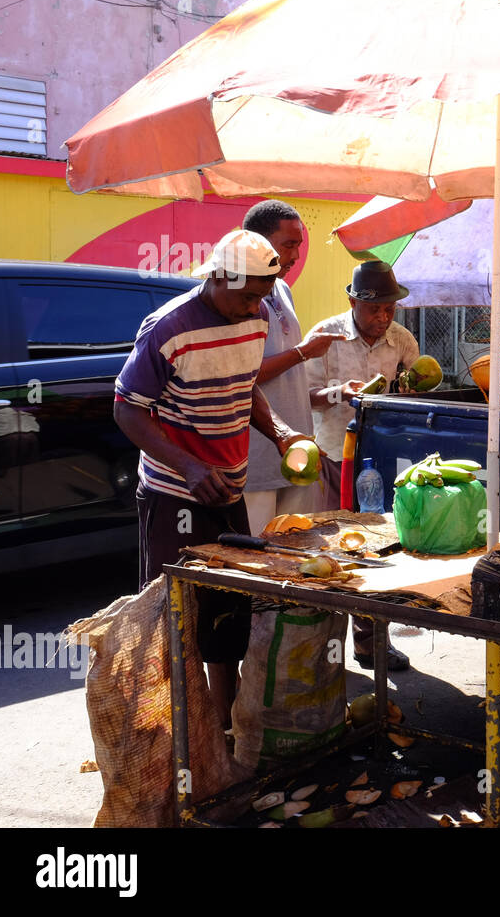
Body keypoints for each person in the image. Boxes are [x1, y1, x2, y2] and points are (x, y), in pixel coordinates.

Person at [114, 229, 315, 728]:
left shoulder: (256, 316)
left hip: (228, 487)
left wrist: (283, 432)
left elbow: (245, 387)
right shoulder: (167, 328)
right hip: (174, 493)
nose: (255, 309)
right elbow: (127, 409)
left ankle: (225, 726)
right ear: (219, 277)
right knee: (174, 617)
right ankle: (181, 732)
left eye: (262, 298)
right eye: (247, 296)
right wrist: (187, 465)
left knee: (228, 614)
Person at [305, 259, 420, 670]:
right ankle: (323, 646)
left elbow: (412, 392)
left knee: (383, 550)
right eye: (375, 309)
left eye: (390, 309)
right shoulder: (324, 336)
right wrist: (339, 392)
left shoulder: (403, 341)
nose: (383, 317)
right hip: (337, 456)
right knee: (337, 550)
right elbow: (304, 396)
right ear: (352, 301)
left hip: (385, 462)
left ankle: (372, 642)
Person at [240, 199, 345, 534]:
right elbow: (243, 376)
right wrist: (303, 352)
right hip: (256, 456)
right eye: (288, 245)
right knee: (258, 559)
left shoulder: (283, 288)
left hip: (297, 451)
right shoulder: (238, 296)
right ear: (258, 243)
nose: (295, 256)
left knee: (298, 547)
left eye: (298, 246)